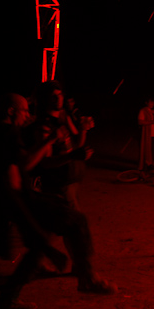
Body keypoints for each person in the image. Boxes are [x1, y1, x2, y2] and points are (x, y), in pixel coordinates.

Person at [0, 93, 117, 309]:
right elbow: (24, 165)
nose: (27, 114)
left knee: (39, 245)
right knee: (74, 221)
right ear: (11, 111)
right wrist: (48, 140)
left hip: (13, 198)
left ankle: (7, 299)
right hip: (17, 199)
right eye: (24, 110)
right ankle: (87, 277)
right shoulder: (7, 133)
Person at [29, 81, 93, 211]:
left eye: (60, 94)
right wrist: (71, 156)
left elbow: (77, 145)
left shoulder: (63, 118)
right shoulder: (44, 127)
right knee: (73, 224)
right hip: (60, 185)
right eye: (53, 96)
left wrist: (83, 129)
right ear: (44, 99)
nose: (58, 99)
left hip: (72, 182)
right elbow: (45, 162)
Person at [138, 98, 154, 170]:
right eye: (150, 102)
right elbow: (140, 122)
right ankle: (148, 166)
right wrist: (151, 122)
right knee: (149, 151)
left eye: (153, 103)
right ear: (146, 103)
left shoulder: (152, 111)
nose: (152, 104)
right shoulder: (143, 111)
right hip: (149, 135)